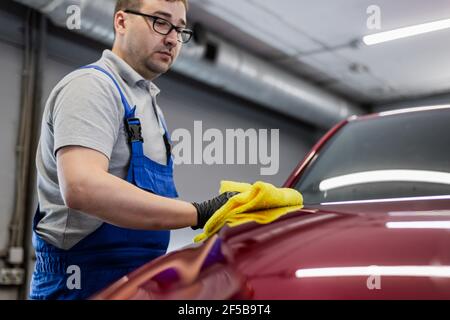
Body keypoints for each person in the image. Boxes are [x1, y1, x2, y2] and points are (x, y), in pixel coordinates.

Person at [30, 0, 236, 300]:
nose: (172, 38)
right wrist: (199, 213)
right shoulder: (92, 87)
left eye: (179, 28)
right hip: (79, 285)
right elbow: (82, 187)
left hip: (136, 282)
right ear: (122, 22)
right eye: (161, 22)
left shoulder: (149, 106)